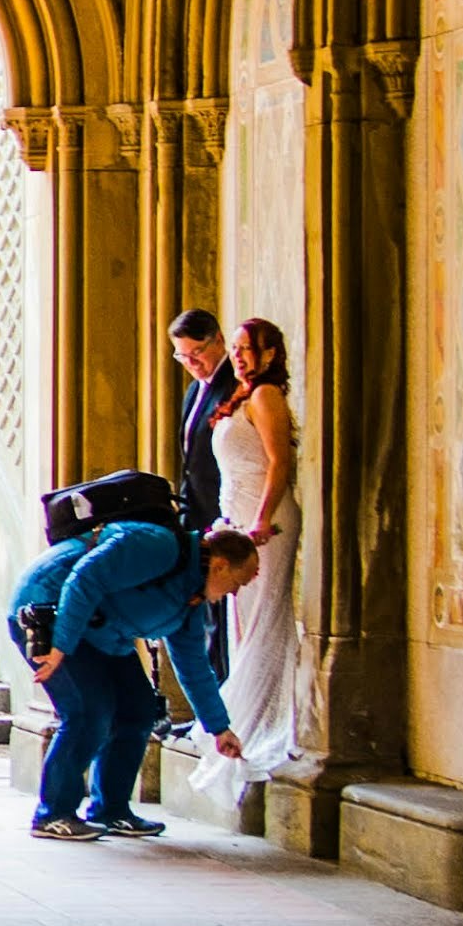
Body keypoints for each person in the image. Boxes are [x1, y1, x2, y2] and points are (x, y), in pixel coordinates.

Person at [11, 509, 257, 843]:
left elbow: (195, 668)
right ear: (220, 565)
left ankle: (110, 810)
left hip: (101, 633)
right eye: (239, 582)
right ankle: (53, 814)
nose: (235, 593)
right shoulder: (157, 546)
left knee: (138, 709)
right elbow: (84, 579)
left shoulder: (191, 602)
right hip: (47, 611)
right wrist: (60, 647)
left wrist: (219, 728)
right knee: (88, 712)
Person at [210, 317, 313, 770]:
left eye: (246, 348)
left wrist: (262, 518)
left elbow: (279, 463)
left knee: (262, 620)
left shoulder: (266, 395)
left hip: (264, 521)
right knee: (243, 621)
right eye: (233, 348)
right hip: (241, 516)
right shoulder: (244, 396)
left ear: (269, 354)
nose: (237, 356)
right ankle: (246, 722)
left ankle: (266, 725)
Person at [166, 308, 239, 684]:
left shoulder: (234, 386)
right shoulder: (195, 390)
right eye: (182, 356)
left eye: (197, 353)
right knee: (205, 613)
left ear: (218, 341)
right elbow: (190, 461)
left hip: (225, 513)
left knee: (224, 615)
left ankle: (224, 690)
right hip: (196, 515)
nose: (191, 364)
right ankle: (212, 694)